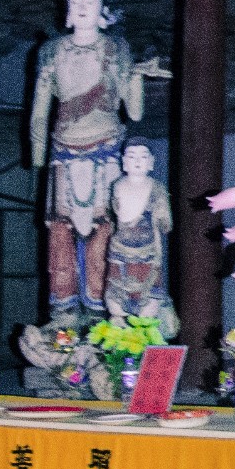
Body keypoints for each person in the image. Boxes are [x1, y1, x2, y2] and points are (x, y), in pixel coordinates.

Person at [29, 0, 144, 317]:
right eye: (75, 0)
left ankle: (102, 310)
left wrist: (136, 76)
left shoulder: (116, 50)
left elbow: (135, 112)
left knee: (104, 230)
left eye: (90, 0)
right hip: (63, 152)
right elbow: (39, 110)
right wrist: (38, 155)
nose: (81, 6)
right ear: (66, 9)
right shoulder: (51, 51)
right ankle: (63, 314)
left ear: (103, 10)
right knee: (60, 232)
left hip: (106, 149)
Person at [104, 140, 175, 337]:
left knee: (149, 305)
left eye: (143, 157)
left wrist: (160, 212)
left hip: (148, 253)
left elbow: (166, 224)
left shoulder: (157, 188)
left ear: (151, 162)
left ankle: (145, 334)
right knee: (116, 306)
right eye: (131, 156)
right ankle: (119, 330)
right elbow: (112, 216)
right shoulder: (117, 186)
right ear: (124, 162)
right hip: (119, 253)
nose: (137, 161)